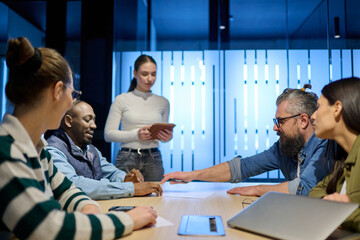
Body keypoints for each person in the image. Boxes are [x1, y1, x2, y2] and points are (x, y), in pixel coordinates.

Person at [0, 37, 156, 240]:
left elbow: (66, 190)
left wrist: (88, 207)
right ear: (57, 91)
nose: (72, 102)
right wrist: (129, 220)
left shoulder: (38, 150)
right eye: (73, 93)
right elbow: (47, 227)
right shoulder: (7, 151)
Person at [161, 85, 333, 196]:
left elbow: (303, 188)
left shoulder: (325, 145)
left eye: (281, 121)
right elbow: (241, 168)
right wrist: (193, 175)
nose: (275, 128)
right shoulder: (284, 147)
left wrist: (258, 189)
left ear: (303, 120)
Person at [46, 100, 163, 200]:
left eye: (94, 120)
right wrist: (130, 188)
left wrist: (126, 178)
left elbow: (111, 172)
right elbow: (74, 184)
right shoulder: (53, 150)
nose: (94, 126)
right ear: (68, 121)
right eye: (87, 120)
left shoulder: (90, 149)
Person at [104, 54, 173, 181]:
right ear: (135, 73)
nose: (150, 79)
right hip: (127, 156)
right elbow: (108, 135)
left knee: (156, 197)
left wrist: (167, 137)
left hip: (153, 156)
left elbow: (163, 135)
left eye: (153, 74)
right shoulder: (121, 99)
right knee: (126, 198)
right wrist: (137, 134)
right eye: (145, 74)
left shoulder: (163, 102)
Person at [309, 77, 360, 232]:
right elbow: (315, 191)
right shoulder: (344, 157)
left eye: (318, 107)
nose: (313, 116)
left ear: (337, 108)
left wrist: (341, 213)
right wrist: (329, 203)